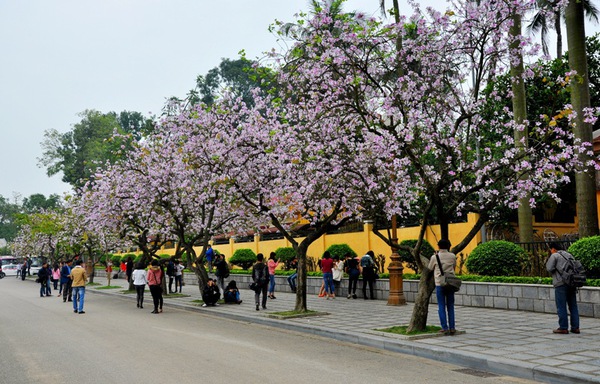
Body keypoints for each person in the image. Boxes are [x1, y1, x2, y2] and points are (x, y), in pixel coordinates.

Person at [546, 242, 580, 334]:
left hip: (560, 283)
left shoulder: (555, 256)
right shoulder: (569, 255)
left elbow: (549, 268)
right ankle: (575, 327)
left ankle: (563, 327)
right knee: (573, 306)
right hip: (572, 283)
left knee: (561, 306)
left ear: (553, 249)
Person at [427, 239, 457, 335]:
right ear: (448, 246)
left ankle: (445, 327)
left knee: (441, 306)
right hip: (450, 283)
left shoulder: (434, 257)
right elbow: (454, 267)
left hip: (440, 283)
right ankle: (452, 327)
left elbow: (430, 268)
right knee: (450, 306)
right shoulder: (452, 256)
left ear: (439, 246)